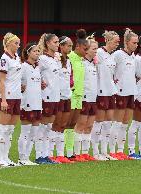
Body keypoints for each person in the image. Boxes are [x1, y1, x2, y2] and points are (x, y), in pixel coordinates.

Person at [109, 28, 138, 160]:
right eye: (134, 43)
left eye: (137, 43)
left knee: (126, 122)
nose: (136, 45)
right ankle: (112, 150)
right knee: (117, 122)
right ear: (126, 42)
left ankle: (120, 150)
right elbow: (110, 70)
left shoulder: (133, 56)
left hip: (131, 92)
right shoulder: (118, 55)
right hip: (120, 92)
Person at [91, 30, 120, 161]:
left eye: (118, 42)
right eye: (115, 42)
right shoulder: (99, 53)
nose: (117, 44)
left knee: (108, 122)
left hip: (111, 91)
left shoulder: (113, 55)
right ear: (107, 41)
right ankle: (95, 152)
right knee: (99, 122)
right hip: (101, 91)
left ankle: (104, 151)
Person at [0, 32, 21, 166]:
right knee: (3, 128)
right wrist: (3, 100)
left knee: (10, 129)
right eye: (16, 43)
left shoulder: (17, 57)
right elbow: (2, 81)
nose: (18, 45)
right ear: (8, 43)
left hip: (17, 97)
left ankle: (6, 158)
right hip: (8, 97)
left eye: (18, 43)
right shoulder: (4, 59)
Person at [72, 34, 98, 162]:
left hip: (93, 98)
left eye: (96, 49)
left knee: (89, 125)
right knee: (80, 124)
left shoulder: (94, 64)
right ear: (86, 49)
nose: (95, 51)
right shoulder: (80, 62)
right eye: (93, 49)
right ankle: (76, 153)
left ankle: (85, 153)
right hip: (84, 98)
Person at [36, 33, 61, 164]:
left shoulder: (55, 58)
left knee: (49, 127)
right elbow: (34, 71)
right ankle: (39, 155)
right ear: (48, 44)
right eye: (55, 42)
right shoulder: (42, 59)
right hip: (46, 96)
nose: (58, 45)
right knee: (43, 127)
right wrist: (39, 82)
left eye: (58, 42)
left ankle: (46, 155)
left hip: (55, 96)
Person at [65, 29, 88, 160]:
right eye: (85, 48)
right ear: (77, 46)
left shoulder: (81, 60)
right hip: (71, 94)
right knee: (66, 123)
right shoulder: (70, 58)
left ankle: (69, 152)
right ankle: (61, 152)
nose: (86, 51)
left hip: (79, 95)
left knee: (72, 124)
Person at [51, 36, 75, 163]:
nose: (70, 48)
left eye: (71, 46)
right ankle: (49, 153)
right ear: (61, 46)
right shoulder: (56, 60)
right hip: (58, 96)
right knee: (55, 125)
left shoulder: (69, 61)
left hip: (67, 96)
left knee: (63, 126)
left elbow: (70, 78)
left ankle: (60, 154)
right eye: (68, 45)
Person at [17, 42, 42, 166]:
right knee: (25, 132)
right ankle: (22, 158)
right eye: (34, 51)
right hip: (27, 103)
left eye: (38, 51)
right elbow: (16, 82)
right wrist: (20, 87)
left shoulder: (37, 67)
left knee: (34, 132)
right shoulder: (23, 67)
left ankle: (27, 157)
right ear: (28, 53)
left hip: (38, 103)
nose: (37, 53)